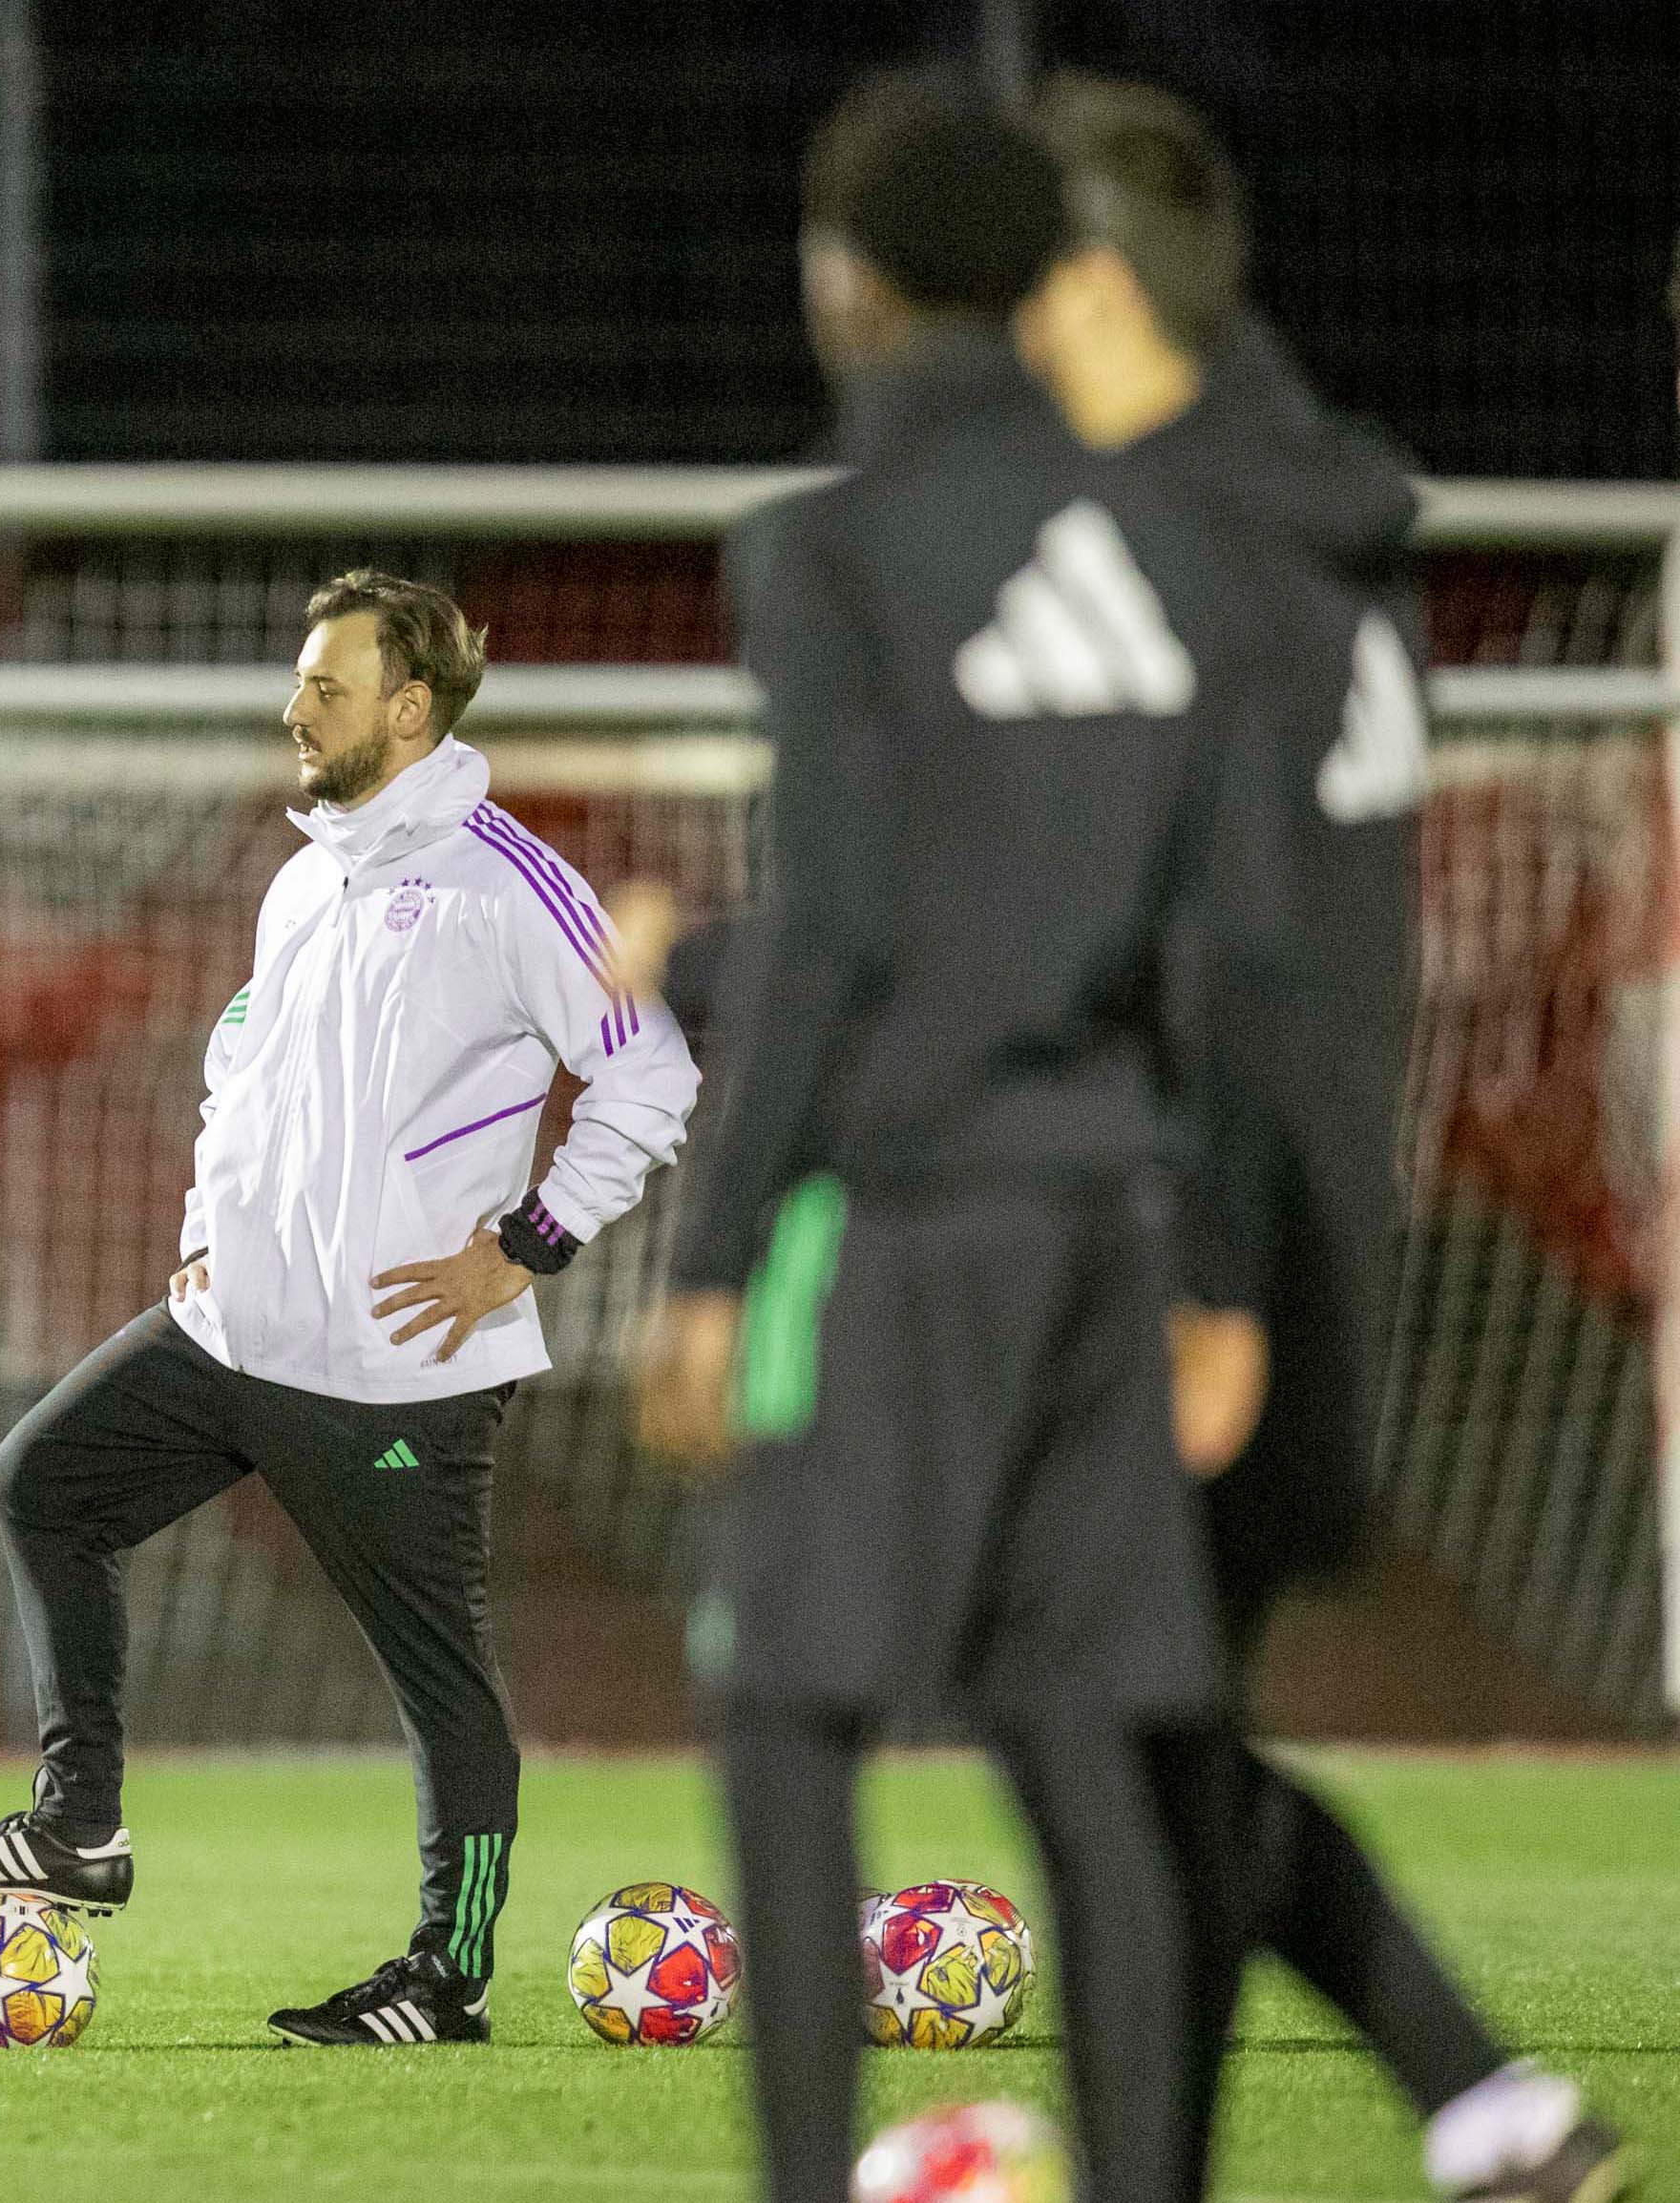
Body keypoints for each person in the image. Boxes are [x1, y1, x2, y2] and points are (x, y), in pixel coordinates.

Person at [630, 75, 1278, 2203]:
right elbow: (1231, 944)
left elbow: (832, 924)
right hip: (1105, 1204)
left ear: (850, 283)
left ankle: (811, 2179)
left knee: (790, 1710)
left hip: (901, 1214)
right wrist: (1220, 1267)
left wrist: (717, 1256)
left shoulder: (823, 548)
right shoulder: (1187, 545)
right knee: (1085, 1734)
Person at [1020, 71, 1632, 2203]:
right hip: (1309, 1245)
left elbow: (1165, 933)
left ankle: (1463, 2091)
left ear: (1086, 289)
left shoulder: (1170, 562)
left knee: (1100, 1737)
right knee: (1148, 1746)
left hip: (1201, 1243)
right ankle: (1482, 2103)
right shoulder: (1319, 528)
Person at [0, 570, 701, 2046]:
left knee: (435, 1680)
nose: (294, 709)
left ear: (408, 708)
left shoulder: (504, 878)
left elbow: (651, 1074)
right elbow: (241, 1083)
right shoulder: (306, 873)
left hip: (398, 1367)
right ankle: (81, 1829)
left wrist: (527, 1243)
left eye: (325, 688)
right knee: (43, 1485)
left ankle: (447, 1979)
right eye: (299, 683)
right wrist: (207, 1237)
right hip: (233, 1335)